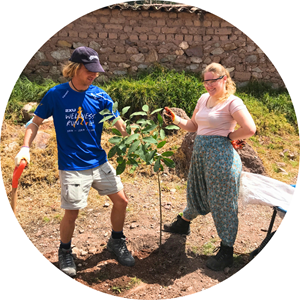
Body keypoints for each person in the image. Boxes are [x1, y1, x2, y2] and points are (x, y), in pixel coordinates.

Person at [14, 46, 135, 277]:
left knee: (121, 201)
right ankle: (65, 251)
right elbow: (35, 122)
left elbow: (116, 118)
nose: (93, 75)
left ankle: (116, 241)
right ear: (75, 68)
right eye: (89, 70)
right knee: (72, 213)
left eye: (96, 71)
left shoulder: (100, 95)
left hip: (99, 161)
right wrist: (25, 147)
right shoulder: (56, 94)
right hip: (72, 165)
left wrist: (123, 128)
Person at [163, 62, 256, 271]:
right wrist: (176, 119)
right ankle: (184, 223)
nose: (208, 85)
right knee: (195, 190)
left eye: (212, 81)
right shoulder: (204, 99)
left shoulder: (233, 102)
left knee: (223, 202)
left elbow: (250, 128)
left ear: (224, 79)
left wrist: (230, 136)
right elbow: (194, 126)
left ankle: (227, 250)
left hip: (222, 160)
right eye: (205, 81)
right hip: (201, 156)